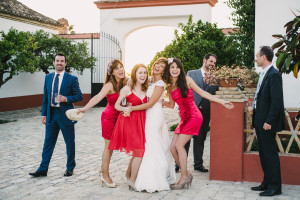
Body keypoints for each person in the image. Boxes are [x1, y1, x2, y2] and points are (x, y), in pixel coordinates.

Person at [163, 58, 234, 190]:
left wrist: (221, 101)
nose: (174, 70)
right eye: (172, 67)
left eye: (177, 67)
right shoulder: (170, 86)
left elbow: (202, 93)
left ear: (180, 69)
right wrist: (159, 102)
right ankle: (186, 174)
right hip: (184, 118)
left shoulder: (187, 80)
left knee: (179, 145)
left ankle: (184, 176)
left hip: (194, 116)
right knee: (172, 147)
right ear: (168, 69)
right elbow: (171, 105)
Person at [29, 52, 83, 177]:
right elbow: (45, 98)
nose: (59, 63)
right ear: (54, 62)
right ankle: (43, 169)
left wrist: (66, 99)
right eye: (57, 60)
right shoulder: (48, 77)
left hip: (66, 115)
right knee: (48, 143)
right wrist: (44, 114)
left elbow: (79, 96)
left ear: (65, 63)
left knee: (69, 142)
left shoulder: (72, 79)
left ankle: (70, 168)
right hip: (51, 114)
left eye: (62, 61)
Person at [128, 58, 176, 192]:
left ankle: (152, 178)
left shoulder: (160, 83)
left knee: (150, 144)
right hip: (147, 114)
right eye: (157, 64)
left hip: (154, 116)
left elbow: (150, 103)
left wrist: (131, 109)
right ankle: (135, 175)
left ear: (164, 70)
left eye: (162, 66)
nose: (158, 67)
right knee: (147, 143)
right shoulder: (149, 80)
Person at [77, 59, 127, 187]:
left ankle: (103, 169)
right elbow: (97, 97)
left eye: (121, 66)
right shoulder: (109, 85)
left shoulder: (126, 81)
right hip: (109, 118)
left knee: (113, 147)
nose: (120, 70)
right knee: (109, 148)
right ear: (112, 73)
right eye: (116, 69)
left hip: (120, 118)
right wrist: (84, 109)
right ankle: (105, 175)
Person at [251, 46, 285, 197]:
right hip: (260, 120)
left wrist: (269, 120)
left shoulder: (274, 74)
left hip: (267, 122)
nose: (256, 58)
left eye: (257, 56)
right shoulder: (264, 73)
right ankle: (266, 182)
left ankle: (275, 187)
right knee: (264, 154)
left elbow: (277, 102)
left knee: (270, 154)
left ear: (264, 57)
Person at [108, 64, 148, 190]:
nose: (142, 75)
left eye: (145, 73)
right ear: (134, 74)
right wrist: (125, 108)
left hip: (142, 122)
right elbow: (117, 106)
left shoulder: (147, 89)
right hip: (130, 122)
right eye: (140, 73)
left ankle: (128, 174)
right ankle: (132, 181)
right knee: (139, 152)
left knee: (138, 151)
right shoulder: (127, 89)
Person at [176, 54, 218, 173]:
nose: (212, 64)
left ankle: (198, 164)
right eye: (211, 61)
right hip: (190, 111)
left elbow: (214, 92)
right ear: (204, 60)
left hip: (205, 111)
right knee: (185, 139)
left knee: (200, 138)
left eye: (214, 63)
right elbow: (183, 91)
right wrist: (181, 109)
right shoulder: (191, 73)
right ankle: (178, 164)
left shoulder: (216, 77)